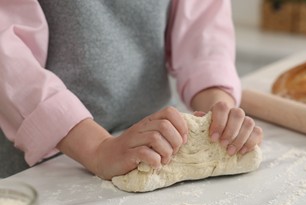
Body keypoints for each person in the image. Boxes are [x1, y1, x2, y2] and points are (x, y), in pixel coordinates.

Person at [0, 0, 262, 179]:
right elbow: (8, 56)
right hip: (42, 164)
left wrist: (217, 113)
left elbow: (203, 28)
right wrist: (96, 148)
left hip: (157, 148)